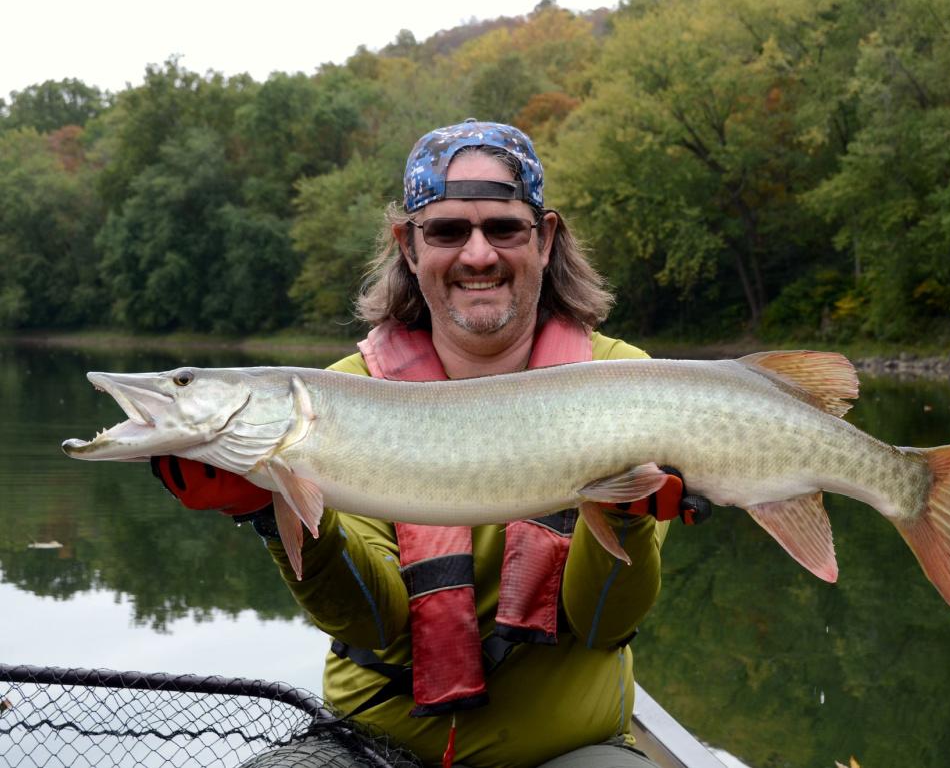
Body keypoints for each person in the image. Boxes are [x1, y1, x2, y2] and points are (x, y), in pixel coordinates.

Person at [152, 120, 708, 768]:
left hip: (568, 751)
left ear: (546, 238)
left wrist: (626, 520)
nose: (478, 255)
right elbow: (371, 622)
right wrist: (272, 517)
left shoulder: (628, 381)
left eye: (503, 228)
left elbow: (605, 623)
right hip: (372, 749)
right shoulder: (340, 397)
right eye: (446, 231)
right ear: (409, 246)